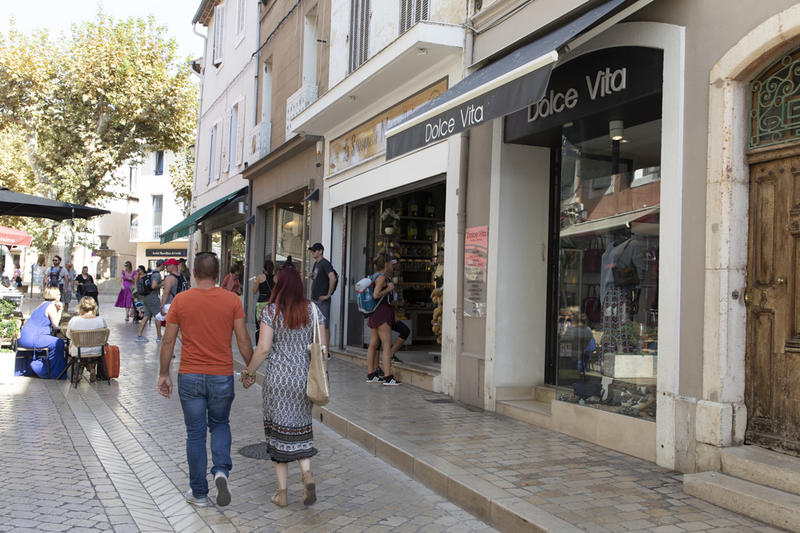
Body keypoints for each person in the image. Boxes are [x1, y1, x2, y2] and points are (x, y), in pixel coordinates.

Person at [157, 252, 254, 508]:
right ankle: (221, 471)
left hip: (189, 375)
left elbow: (168, 340)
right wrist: (251, 369)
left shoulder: (181, 300)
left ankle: (199, 493)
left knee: (195, 434)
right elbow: (243, 340)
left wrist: (164, 373)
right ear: (218, 273)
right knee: (220, 424)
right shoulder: (232, 300)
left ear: (195, 274)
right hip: (221, 375)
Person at [241, 266, 322, 508]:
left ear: (279, 285)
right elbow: (322, 348)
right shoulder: (313, 310)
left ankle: (282, 493)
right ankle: (307, 474)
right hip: (303, 380)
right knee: (301, 430)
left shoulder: (271, 312)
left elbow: (263, 349)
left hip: (277, 381)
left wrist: (249, 372)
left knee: (277, 436)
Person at [365, 254, 400, 386]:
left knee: (373, 343)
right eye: (390, 263)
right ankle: (388, 376)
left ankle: (371, 374)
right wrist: (389, 289)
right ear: (385, 264)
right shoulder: (381, 278)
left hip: (374, 313)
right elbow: (376, 295)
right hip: (382, 313)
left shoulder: (373, 276)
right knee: (386, 345)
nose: (392, 265)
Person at [17, 287, 66, 379]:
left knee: (55, 342)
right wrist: (60, 310)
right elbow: (55, 324)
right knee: (58, 343)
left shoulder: (40, 305)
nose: (60, 296)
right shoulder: (50, 306)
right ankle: (54, 373)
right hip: (35, 337)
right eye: (59, 294)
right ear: (55, 296)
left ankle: (43, 367)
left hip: (25, 336)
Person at [65, 296, 108, 383]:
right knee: (90, 351)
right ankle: (92, 368)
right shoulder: (101, 320)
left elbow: (68, 335)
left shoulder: (74, 320)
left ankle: (78, 373)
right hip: (97, 350)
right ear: (95, 307)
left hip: (79, 351)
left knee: (76, 349)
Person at [308, 243, 336, 350]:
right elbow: (318, 279)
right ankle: (317, 348)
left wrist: (328, 295)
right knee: (315, 324)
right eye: (312, 251)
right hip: (315, 299)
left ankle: (326, 351)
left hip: (322, 300)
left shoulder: (325, 263)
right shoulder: (316, 264)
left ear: (320, 251)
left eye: (314, 250)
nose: (313, 252)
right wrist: (311, 276)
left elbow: (332, 278)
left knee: (324, 325)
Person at [136, 261, 164, 342]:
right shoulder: (157, 274)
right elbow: (153, 286)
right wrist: (162, 284)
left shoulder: (151, 273)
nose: (165, 267)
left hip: (146, 297)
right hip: (153, 298)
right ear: (161, 265)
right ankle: (159, 337)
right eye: (164, 265)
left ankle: (139, 336)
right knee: (158, 316)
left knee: (146, 316)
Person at [251, 259, 275, 345]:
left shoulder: (260, 277)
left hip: (261, 303)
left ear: (264, 269)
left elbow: (254, 291)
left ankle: (258, 346)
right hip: (272, 304)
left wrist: (255, 282)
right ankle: (270, 345)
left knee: (259, 326)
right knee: (271, 325)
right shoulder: (276, 278)